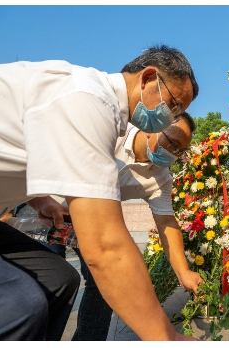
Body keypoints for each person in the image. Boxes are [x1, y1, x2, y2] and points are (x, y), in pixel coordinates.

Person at [0, 44, 200, 341]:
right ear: (148, 78)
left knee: (60, 279)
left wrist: (39, 198)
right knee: (22, 303)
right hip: (60, 221)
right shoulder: (91, 103)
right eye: (173, 106)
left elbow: (20, 152)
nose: (170, 117)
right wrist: (166, 336)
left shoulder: (151, 166)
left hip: (51, 214)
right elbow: (105, 247)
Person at [43, 112, 199, 341]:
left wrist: (183, 272)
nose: (174, 154)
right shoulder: (112, 131)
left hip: (89, 217)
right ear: (152, 126)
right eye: (172, 143)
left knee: (104, 282)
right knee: (50, 280)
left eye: (181, 151)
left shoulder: (161, 178)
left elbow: (166, 221)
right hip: (47, 205)